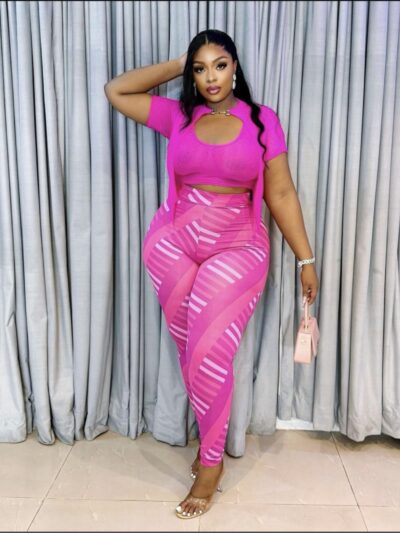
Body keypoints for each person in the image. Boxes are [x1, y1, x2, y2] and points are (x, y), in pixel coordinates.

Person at [105, 29, 319, 520]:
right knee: (191, 354)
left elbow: (280, 194)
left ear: (235, 67)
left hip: (238, 243)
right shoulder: (179, 115)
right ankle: (210, 445)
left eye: (219, 65)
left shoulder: (262, 121)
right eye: (199, 69)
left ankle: (211, 461)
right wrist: (179, 62)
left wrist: (305, 259)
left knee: (208, 352)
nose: (210, 78)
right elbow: (117, 90)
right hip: (172, 242)